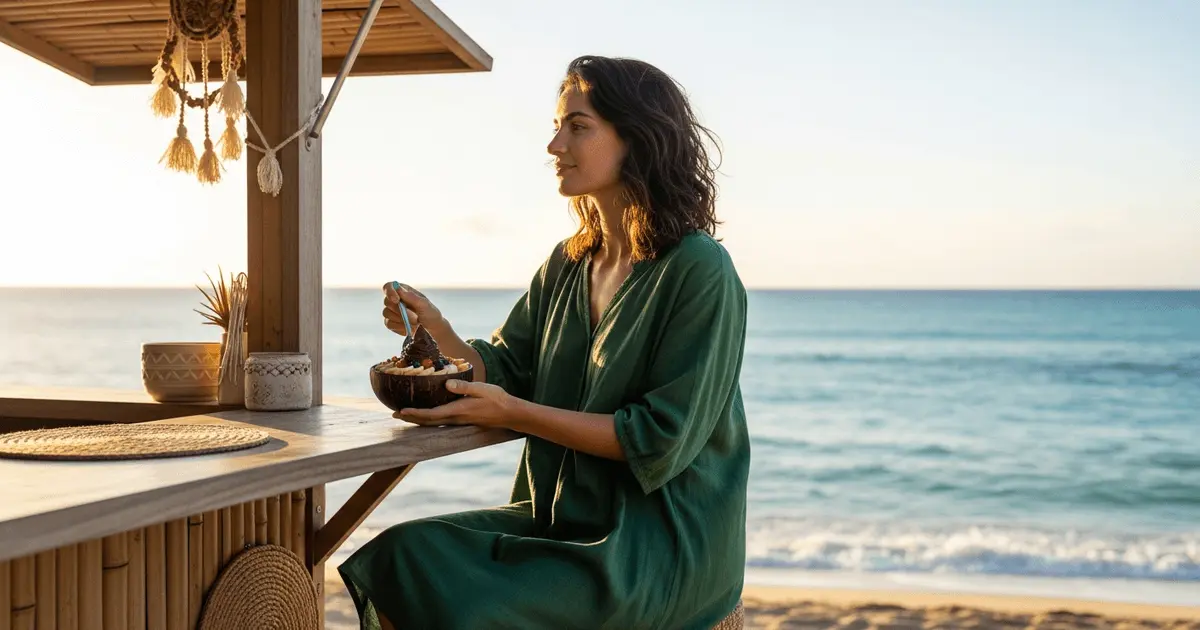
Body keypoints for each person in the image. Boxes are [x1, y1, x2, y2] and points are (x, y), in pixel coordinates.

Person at [338, 55, 750, 630]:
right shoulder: (569, 262)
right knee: (401, 557)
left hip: (659, 543)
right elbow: (503, 367)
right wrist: (437, 331)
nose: (555, 145)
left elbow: (659, 439)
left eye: (578, 127)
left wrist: (514, 413)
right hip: (558, 518)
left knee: (467, 605)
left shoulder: (699, 270)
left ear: (638, 138)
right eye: (557, 127)